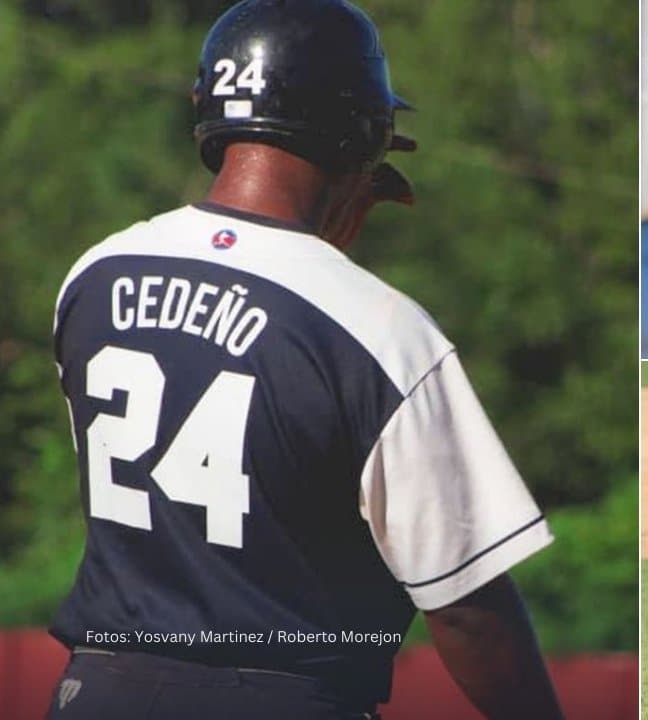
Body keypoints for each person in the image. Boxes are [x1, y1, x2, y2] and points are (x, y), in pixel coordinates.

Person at [45, 1, 564, 718]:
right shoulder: (381, 328)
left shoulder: (95, 276)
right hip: (283, 698)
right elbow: (467, 606)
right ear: (359, 131)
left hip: (96, 691)